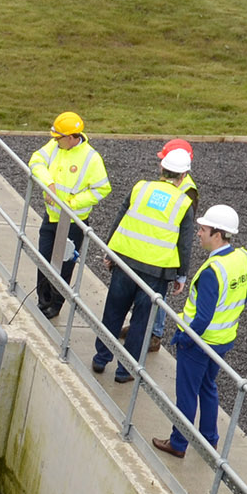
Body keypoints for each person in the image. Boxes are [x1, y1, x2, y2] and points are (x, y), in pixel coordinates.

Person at [154, 204, 247, 460]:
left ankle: (178, 442)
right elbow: (244, 296)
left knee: (187, 393)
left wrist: (184, 338)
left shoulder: (212, 271)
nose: (198, 233)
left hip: (200, 343)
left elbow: (203, 317)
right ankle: (210, 441)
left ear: (217, 235)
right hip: (223, 341)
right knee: (208, 387)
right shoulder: (244, 259)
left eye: (203, 229)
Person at [92, 145, 196, 384]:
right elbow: (184, 242)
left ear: (162, 168)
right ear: (182, 177)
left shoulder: (141, 188)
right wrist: (181, 276)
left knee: (114, 310)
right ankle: (125, 370)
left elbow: (120, 218)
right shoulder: (183, 203)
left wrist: (110, 251)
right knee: (141, 320)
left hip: (125, 262)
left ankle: (100, 358)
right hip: (156, 272)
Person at [29, 111, 110, 318]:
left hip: (73, 221)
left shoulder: (91, 159)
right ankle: (43, 300)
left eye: (59, 138)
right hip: (52, 217)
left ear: (73, 137)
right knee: (44, 258)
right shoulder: (55, 147)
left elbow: (102, 189)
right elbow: (36, 161)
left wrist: (72, 203)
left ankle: (55, 305)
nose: (55, 141)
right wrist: (49, 185)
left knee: (64, 265)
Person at [149, 138, 199, 352]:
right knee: (150, 291)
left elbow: (183, 228)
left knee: (159, 293)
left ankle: (155, 334)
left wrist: (181, 271)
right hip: (157, 243)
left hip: (167, 249)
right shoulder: (176, 181)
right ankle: (142, 327)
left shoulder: (188, 191)